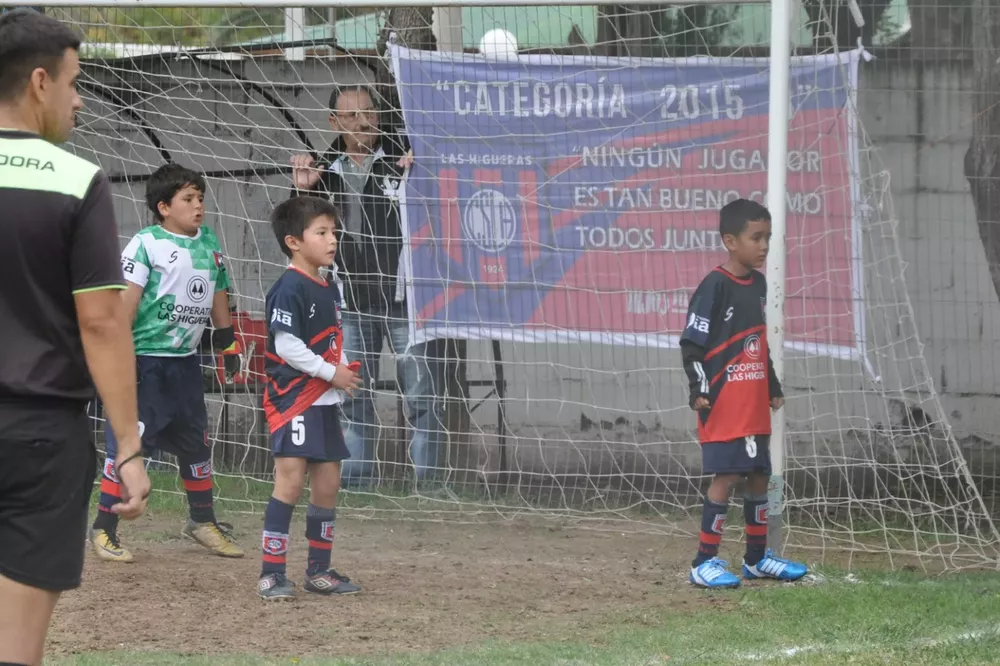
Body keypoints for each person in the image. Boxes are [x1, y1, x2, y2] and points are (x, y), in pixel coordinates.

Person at [0, 9, 150, 665]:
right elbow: (101, 320)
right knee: (16, 645)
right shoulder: (75, 181)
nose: (79, 97)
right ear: (39, 82)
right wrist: (128, 444)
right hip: (39, 435)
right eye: (74, 81)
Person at [289, 84, 447, 488]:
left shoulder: (403, 161)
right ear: (334, 123)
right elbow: (297, 238)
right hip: (351, 306)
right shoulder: (324, 173)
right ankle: (358, 481)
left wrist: (423, 171)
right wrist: (301, 190)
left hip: (403, 302)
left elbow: (439, 210)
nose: (364, 121)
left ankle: (429, 483)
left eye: (370, 112)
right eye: (353, 114)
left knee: (421, 394)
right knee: (353, 396)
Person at [91, 163, 245, 562]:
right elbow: (124, 305)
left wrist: (228, 345)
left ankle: (202, 520)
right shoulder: (145, 244)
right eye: (188, 200)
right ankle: (104, 528)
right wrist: (115, 360)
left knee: (197, 444)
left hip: (186, 363)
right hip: (146, 363)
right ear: (164, 207)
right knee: (130, 444)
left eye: (201, 199)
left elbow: (219, 294)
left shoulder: (209, 242)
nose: (199, 207)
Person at [680, 198, 808, 589]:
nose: (764, 246)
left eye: (767, 237)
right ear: (730, 241)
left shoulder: (759, 284)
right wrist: (699, 388)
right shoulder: (714, 285)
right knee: (727, 475)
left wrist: (771, 385)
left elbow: (759, 341)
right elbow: (691, 343)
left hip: (753, 401)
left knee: (758, 476)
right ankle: (704, 562)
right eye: (756, 237)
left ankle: (756, 559)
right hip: (722, 402)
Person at [257, 196, 364, 600]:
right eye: (321, 232)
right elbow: (287, 347)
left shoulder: (329, 285)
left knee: (328, 485)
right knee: (289, 484)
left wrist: (342, 368)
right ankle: (271, 574)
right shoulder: (288, 287)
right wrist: (329, 372)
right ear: (294, 242)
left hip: (324, 402)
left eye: (333, 231)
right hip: (294, 401)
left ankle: (319, 571)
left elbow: (326, 343)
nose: (331, 239)